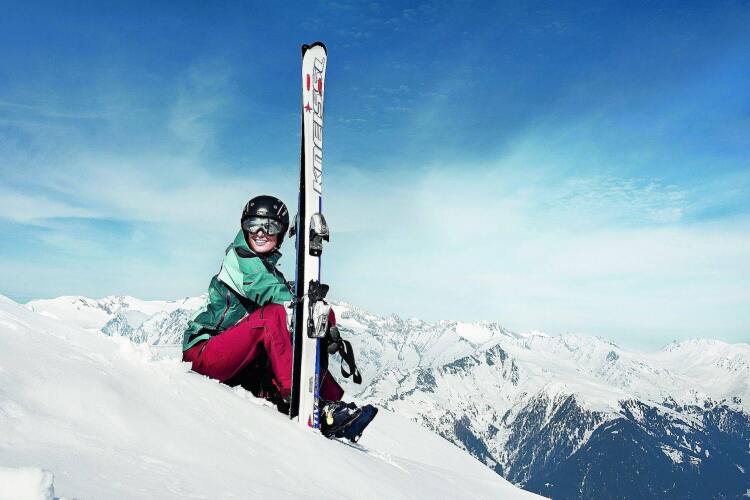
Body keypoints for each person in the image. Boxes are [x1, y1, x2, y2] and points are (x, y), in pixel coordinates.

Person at [182, 195, 376, 442]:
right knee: (273, 316)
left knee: (304, 325)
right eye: (253, 224)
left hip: (236, 361)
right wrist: (304, 304)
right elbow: (270, 292)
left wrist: (325, 320)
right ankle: (301, 398)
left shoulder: (266, 268)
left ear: (281, 234)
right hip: (203, 354)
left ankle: (332, 408)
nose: (260, 233)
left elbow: (280, 295)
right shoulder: (240, 259)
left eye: (270, 226)